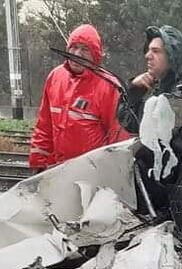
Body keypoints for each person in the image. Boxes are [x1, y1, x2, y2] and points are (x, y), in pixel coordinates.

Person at [28, 24, 124, 172]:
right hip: (56, 170)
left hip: (91, 173)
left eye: (85, 49)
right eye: (74, 47)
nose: (78, 54)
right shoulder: (55, 77)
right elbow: (44, 126)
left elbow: (117, 136)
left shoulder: (108, 86)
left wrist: (110, 174)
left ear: (95, 54)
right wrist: (38, 164)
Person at [118, 25, 182, 135]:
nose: (148, 56)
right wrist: (135, 91)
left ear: (172, 56)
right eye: (149, 50)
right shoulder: (161, 92)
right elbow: (131, 124)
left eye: (156, 51)